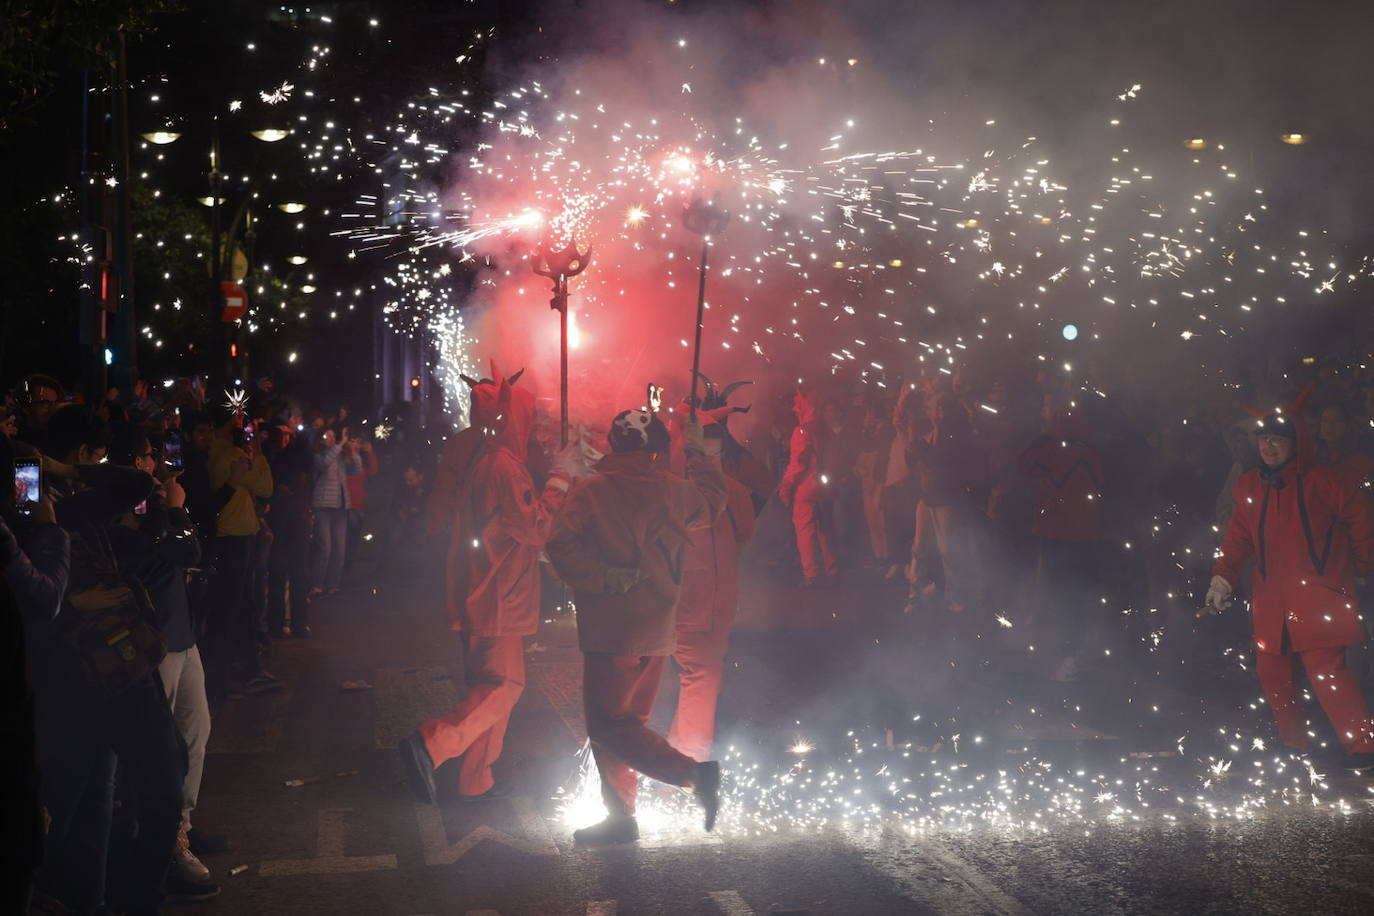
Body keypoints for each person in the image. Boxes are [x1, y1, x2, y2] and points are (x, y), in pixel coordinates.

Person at [398, 370, 583, 804]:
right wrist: (561, 478)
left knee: (488, 688)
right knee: (504, 687)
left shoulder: (485, 457)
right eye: (528, 416)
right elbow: (536, 527)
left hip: (483, 587)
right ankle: (432, 744)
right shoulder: (503, 466)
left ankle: (476, 780)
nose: (533, 425)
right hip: (498, 593)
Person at [546, 407, 727, 846]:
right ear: (659, 450)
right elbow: (712, 505)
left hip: (611, 628)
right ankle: (621, 818)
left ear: (613, 444)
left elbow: (558, 545)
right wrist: (700, 452)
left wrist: (601, 575)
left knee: (609, 728)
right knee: (627, 725)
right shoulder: (677, 491)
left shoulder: (593, 492)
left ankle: (691, 776)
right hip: (658, 626)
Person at [1206, 402, 1374, 766]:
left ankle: (1364, 746)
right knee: (1272, 671)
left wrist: (1362, 565)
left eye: (1277, 441)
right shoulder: (1248, 484)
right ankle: (1293, 743)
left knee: (1328, 673)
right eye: (1264, 440)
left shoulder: (1326, 480)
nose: (1269, 447)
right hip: (1272, 600)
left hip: (1320, 596)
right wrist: (1222, 577)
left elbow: (1361, 520)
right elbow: (1237, 538)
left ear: (1296, 443)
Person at [106, 424, 219, 901]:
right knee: (163, 750)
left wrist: (173, 509)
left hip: (181, 635)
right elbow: (177, 552)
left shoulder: (154, 501)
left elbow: (188, 549)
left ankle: (181, 827)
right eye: (146, 455)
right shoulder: (127, 507)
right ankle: (163, 843)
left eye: (154, 455)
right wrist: (173, 509)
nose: (154, 463)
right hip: (154, 641)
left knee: (196, 732)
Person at [668, 414, 756, 762]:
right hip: (702, 603)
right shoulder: (722, 490)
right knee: (701, 676)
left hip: (689, 599)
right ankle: (686, 762)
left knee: (692, 676)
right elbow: (743, 535)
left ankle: (674, 756)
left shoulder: (667, 484)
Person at [1019, 404, 1105, 681]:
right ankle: (1072, 654)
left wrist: (1043, 436)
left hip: (1059, 535)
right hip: (1083, 536)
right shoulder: (1093, 454)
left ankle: (1066, 656)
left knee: (1060, 594)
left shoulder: (1055, 452)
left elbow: (1023, 463)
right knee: (1074, 595)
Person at [206, 404, 278, 698]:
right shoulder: (230, 456)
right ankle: (232, 676)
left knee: (238, 607)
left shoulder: (216, 454)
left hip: (234, 538)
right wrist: (258, 451)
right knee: (235, 609)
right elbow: (265, 486)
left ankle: (242, 670)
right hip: (234, 540)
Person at [906, 392, 986, 614]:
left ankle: (954, 595)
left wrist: (915, 443)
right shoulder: (930, 434)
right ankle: (914, 593)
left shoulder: (953, 437)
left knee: (947, 549)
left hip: (945, 499)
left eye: (941, 408)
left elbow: (936, 461)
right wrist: (912, 438)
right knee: (919, 546)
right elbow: (913, 459)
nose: (937, 413)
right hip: (927, 497)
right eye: (934, 408)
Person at [778, 389, 837, 587]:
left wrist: (786, 489)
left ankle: (811, 573)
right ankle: (832, 569)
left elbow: (798, 464)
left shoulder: (802, 431)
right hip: (824, 484)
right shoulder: (825, 430)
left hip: (806, 485)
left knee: (805, 530)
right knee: (825, 529)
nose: (794, 411)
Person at [308, 427, 360, 598]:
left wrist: (354, 451)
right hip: (323, 505)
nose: (331, 439)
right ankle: (316, 584)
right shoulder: (318, 455)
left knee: (339, 548)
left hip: (340, 506)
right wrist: (339, 445)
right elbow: (324, 464)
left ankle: (333, 585)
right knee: (325, 547)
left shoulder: (339, 456)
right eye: (327, 436)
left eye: (333, 435)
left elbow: (356, 471)